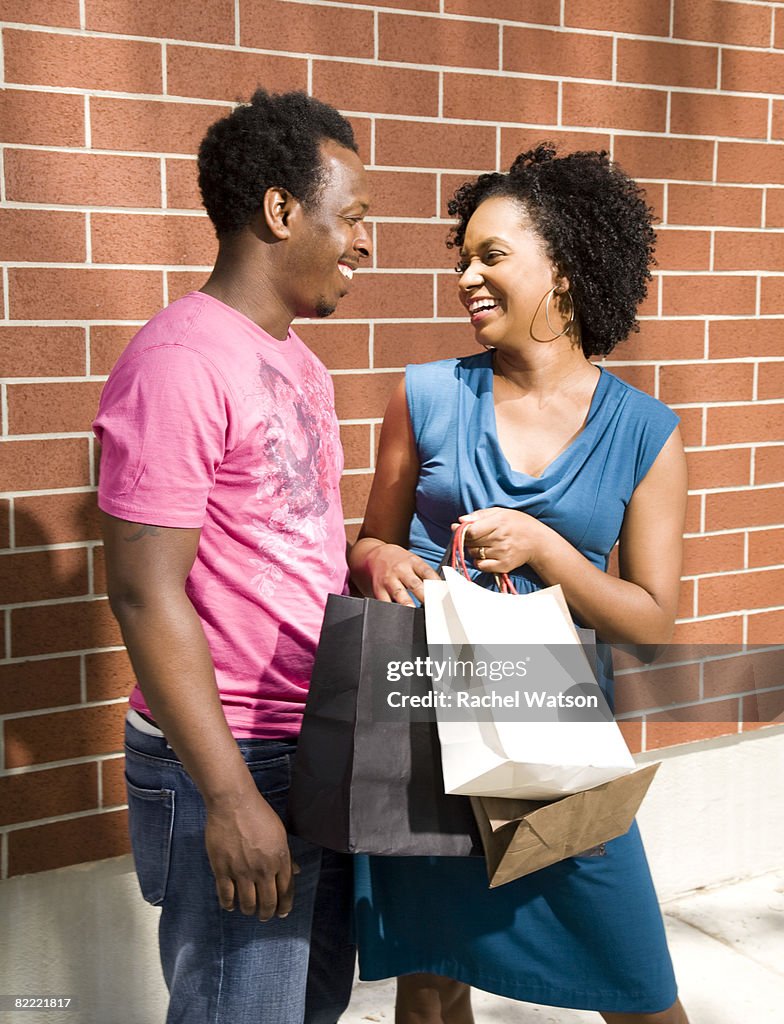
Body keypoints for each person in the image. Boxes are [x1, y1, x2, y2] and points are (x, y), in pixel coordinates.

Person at [348, 145, 690, 1024]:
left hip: (555, 749)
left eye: (491, 255)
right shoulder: (423, 396)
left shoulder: (645, 432)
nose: (467, 276)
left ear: (566, 271)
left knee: (641, 990)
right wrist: (380, 559)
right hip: (421, 740)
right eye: (463, 257)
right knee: (429, 984)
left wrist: (547, 547)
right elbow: (368, 545)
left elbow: (650, 622)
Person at [93, 89, 371, 1024]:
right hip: (230, 759)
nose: (365, 244)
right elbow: (141, 592)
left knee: (311, 1006)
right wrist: (229, 795)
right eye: (355, 217)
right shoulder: (177, 362)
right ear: (282, 211)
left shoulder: (298, 360)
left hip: (316, 746)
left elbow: (283, 540)